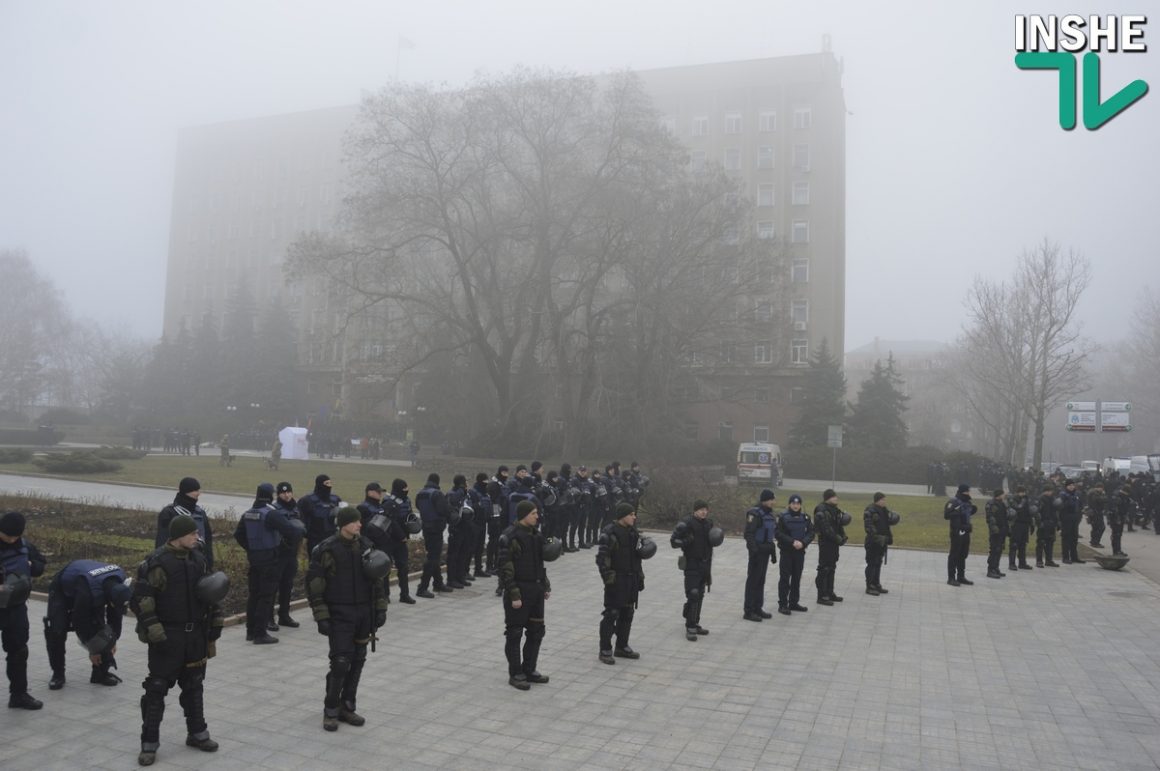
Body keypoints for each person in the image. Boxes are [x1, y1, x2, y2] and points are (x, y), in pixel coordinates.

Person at [131, 514, 226, 766]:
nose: (197, 537)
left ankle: (197, 733)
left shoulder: (198, 559)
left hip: (195, 635)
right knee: (157, 689)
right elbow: (143, 602)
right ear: (178, 536)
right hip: (167, 636)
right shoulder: (157, 563)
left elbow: (211, 594)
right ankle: (149, 743)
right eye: (192, 533)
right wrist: (155, 632)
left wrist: (215, 624)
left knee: (194, 685)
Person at [306, 506, 388, 731]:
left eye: (359, 521)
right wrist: (321, 616)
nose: (360, 525)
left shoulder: (366, 546)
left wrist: (380, 608)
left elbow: (378, 580)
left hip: (364, 612)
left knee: (358, 660)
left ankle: (348, 706)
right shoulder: (326, 550)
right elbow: (315, 586)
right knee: (341, 662)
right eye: (355, 522)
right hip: (339, 614)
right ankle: (331, 709)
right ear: (343, 525)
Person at [44, 559, 132, 690]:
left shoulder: (120, 584)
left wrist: (112, 641)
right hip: (62, 590)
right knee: (56, 630)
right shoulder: (89, 593)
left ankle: (100, 673)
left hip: (92, 586)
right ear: (109, 598)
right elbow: (80, 622)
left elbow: (115, 618)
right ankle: (58, 674)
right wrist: (93, 649)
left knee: (103, 632)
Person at [234, 483, 303, 644]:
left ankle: (250, 631)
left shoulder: (248, 513)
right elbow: (291, 531)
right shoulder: (271, 514)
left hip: (254, 558)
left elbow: (238, 535)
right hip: (270, 560)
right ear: (271, 495)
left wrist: (251, 549)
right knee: (266, 597)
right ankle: (260, 633)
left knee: (254, 596)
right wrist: (283, 545)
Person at [497, 500, 551, 690]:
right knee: (515, 633)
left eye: (537, 513)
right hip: (519, 591)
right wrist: (513, 594)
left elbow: (541, 560)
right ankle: (516, 673)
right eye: (534, 513)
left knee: (536, 632)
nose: (537, 516)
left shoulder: (536, 535)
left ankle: (530, 669)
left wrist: (545, 584)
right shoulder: (509, 537)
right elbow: (505, 568)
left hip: (535, 590)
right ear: (524, 515)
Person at [0, 512, 47, 710]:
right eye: (6, 536)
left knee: (19, 651)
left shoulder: (25, 546)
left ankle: (18, 695)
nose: (11, 540)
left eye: (14, 537)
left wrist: (31, 565)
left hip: (16, 608)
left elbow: (40, 566)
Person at [596, 502, 645, 664]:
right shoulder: (610, 533)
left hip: (631, 578)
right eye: (631, 514)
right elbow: (602, 559)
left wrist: (640, 577)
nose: (634, 517)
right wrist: (610, 579)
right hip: (617, 579)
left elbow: (637, 558)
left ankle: (622, 646)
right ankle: (605, 649)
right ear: (623, 516)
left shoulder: (633, 533)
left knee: (627, 612)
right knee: (611, 614)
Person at [670, 500, 718, 641]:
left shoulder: (709, 523)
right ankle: (690, 626)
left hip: (705, 563)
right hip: (691, 562)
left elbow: (713, 540)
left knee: (700, 594)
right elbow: (673, 541)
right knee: (693, 593)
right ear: (695, 510)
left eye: (705, 509)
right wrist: (686, 542)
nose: (704, 512)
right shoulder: (686, 523)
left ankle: (695, 622)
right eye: (701, 509)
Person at [155, 477, 214, 570]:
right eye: (195, 490)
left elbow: (208, 539)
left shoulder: (201, 513)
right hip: (176, 565)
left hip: (199, 563)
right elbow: (162, 541)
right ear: (186, 492)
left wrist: (209, 562)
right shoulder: (168, 513)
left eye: (198, 490)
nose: (199, 493)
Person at [741, 489, 778, 621]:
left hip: (765, 552)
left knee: (761, 581)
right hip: (757, 553)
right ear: (766, 500)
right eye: (772, 499)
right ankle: (748, 611)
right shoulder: (755, 514)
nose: (774, 502)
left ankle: (758, 607)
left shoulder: (769, 514)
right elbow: (748, 534)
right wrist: (754, 551)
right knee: (753, 581)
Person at [775, 494, 814, 614]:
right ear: (789, 504)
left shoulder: (806, 518)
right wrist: (792, 542)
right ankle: (782, 604)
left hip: (800, 552)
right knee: (785, 579)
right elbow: (778, 533)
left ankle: (793, 602)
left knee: (797, 578)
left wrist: (803, 543)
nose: (796, 506)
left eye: (798, 504)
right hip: (787, 552)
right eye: (793, 503)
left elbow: (811, 533)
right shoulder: (782, 517)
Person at [272, 482, 303, 627]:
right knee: (273, 585)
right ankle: (269, 618)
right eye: (283, 493)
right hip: (279, 552)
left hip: (292, 552)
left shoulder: (295, 508)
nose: (287, 495)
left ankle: (284, 615)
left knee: (287, 585)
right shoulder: (274, 509)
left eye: (289, 492)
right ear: (278, 494)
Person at [415, 473, 451, 598]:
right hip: (436, 527)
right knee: (433, 558)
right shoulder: (437, 494)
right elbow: (444, 510)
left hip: (426, 526)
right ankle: (422, 587)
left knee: (433, 555)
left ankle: (438, 583)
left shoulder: (420, 493)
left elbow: (418, 506)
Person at [813, 489, 848, 606]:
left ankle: (830, 592)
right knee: (824, 569)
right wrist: (837, 538)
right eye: (834, 497)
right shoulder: (821, 510)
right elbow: (825, 528)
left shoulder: (835, 510)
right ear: (828, 498)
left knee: (832, 568)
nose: (836, 498)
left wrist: (843, 536)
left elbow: (839, 525)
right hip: (826, 544)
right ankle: (821, 595)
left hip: (833, 544)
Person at [384, 479, 416, 604]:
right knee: (386, 568)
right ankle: (385, 595)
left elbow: (410, 515)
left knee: (403, 567)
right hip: (390, 539)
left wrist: (414, 524)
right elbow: (390, 521)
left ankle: (405, 594)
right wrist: (401, 535)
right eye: (404, 488)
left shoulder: (407, 501)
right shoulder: (388, 502)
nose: (406, 491)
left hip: (403, 540)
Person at [299, 474, 342, 559]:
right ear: (319, 484)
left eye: (330, 483)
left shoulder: (335, 499)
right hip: (314, 538)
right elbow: (301, 518)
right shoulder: (307, 500)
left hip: (332, 537)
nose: (329, 486)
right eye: (326, 483)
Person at [863, 492, 894, 595]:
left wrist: (888, 538)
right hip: (873, 543)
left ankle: (876, 584)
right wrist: (879, 538)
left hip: (882, 543)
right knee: (872, 563)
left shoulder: (884, 510)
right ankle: (869, 586)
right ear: (878, 500)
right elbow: (869, 528)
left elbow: (887, 524)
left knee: (878, 563)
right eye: (883, 500)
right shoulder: (870, 511)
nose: (884, 502)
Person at [945, 484, 975, 586]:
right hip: (957, 532)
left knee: (963, 554)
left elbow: (967, 514)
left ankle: (961, 576)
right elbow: (947, 515)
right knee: (954, 555)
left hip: (966, 531)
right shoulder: (954, 501)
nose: (969, 493)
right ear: (963, 491)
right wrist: (956, 511)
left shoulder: (967, 502)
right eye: (967, 491)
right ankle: (951, 578)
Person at [1058, 480, 1085, 564]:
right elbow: (1061, 507)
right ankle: (1065, 557)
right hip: (1066, 519)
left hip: (1075, 519)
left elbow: (1080, 505)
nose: (1071, 487)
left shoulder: (1077, 494)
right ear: (1066, 486)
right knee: (1066, 538)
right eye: (1070, 485)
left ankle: (1074, 557)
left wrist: (1079, 514)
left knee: (1074, 538)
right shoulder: (1063, 495)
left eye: (1073, 485)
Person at [1008, 486, 1035, 571]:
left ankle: (1022, 563)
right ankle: (1012, 563)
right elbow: (1017, 508)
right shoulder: (1013, 499)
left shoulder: (1027, 499)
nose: (1023, 494)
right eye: (1021, 492)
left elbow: (1029, 512)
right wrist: (1022, 503)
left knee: (1023, 545)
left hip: (1025, 524)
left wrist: (1032, 524)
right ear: (1017, 492)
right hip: (1016, 524)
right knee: (1014, 544)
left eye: (1024, 492)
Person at [984, 489, 1009, 579]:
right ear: (999, 495)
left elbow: (1005, 517)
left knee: (999, 549)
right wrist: (994, 528)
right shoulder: (991, 504)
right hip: (995, 531)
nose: (1004, 495)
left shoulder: (1002, 503)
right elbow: (990, 517)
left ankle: (996, 568)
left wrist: (1007, 529)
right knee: (994, 550)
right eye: (1003, 494)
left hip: (1002, 530)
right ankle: (990, 570)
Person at [1035, 485, 1060, 567]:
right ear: (1044, 491)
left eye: (1051, 491)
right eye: (1048, 491)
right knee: (1041, 542)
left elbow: (1056, 511)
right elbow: (1037, 512)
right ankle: (1039, 561)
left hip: (1051, 523)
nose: (1050, 492)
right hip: (1043, 523)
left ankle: (1049, 560)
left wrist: (1057, 522)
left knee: (1050, 542)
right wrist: (1039, 523)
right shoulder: (1041, 499)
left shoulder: (1053, 499)